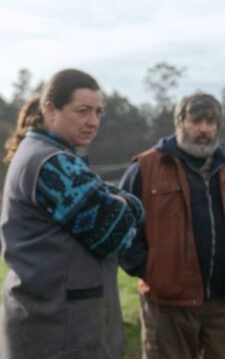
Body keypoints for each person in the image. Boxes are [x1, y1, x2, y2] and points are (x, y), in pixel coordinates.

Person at [0, 70, 145, 359]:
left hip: (57, 326)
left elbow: (124, 208)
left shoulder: (48, 154)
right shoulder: (52, 164)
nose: (93, 121)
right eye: (82, 111)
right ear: (50, 109)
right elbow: (115, 235)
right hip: (59, 332)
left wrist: (122, 204)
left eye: (98, 112)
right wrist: (125, 206)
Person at [119, 92, 225, 359]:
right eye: (196, 121)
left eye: (211, 122)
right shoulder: (147, 167)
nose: (203, 129)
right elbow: (121, 227)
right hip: (168, 303)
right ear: (179, 123)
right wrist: (150, 270)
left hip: (223, 303)